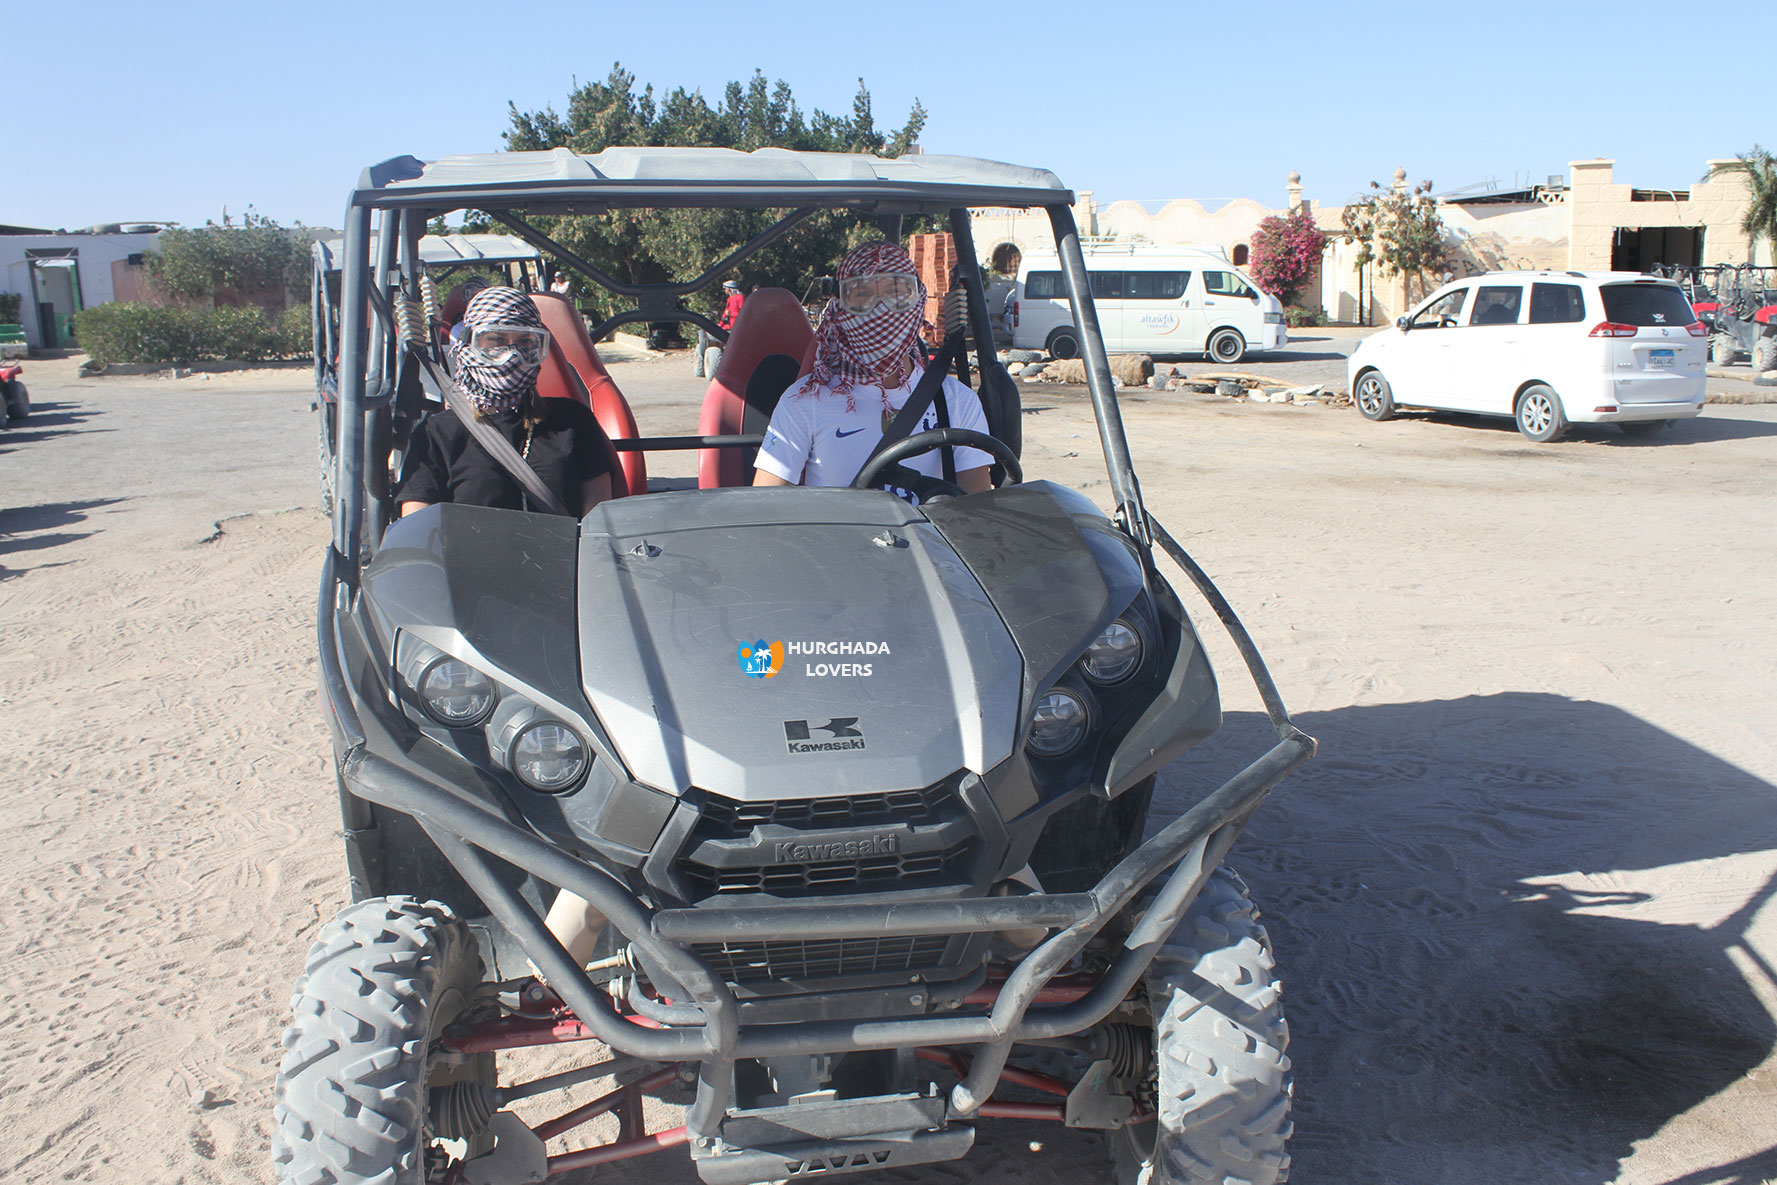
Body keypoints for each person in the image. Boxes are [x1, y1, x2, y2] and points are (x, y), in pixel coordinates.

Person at [752, 242, 993, 501]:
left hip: (929, 528)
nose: (881, 309)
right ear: (839, 307)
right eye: (861, 294)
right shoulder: (804, 401)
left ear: (917, 301)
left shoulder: (956, 401)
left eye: (896, 292)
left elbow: (976, 509)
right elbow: (766, 505)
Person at [396, 286, 613, 518]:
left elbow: (598, 520)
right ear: (468, 345)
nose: (511, 355)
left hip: (566, 543)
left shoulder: (573, 421)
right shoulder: (436, 434)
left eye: (525, 342)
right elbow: (417, 526)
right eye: (495, 340)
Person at [694, 279, 747, 378]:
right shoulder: (729, 299)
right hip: (728, 326)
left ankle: (703, 366)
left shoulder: (740, 298)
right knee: (705, 333)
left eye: (725, 289)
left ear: (729, 289)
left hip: (736, 327)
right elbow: (724, 316)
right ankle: (701, 365)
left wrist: (731, 314)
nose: (725, 290)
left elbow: (744, 313)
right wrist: (719, 326)